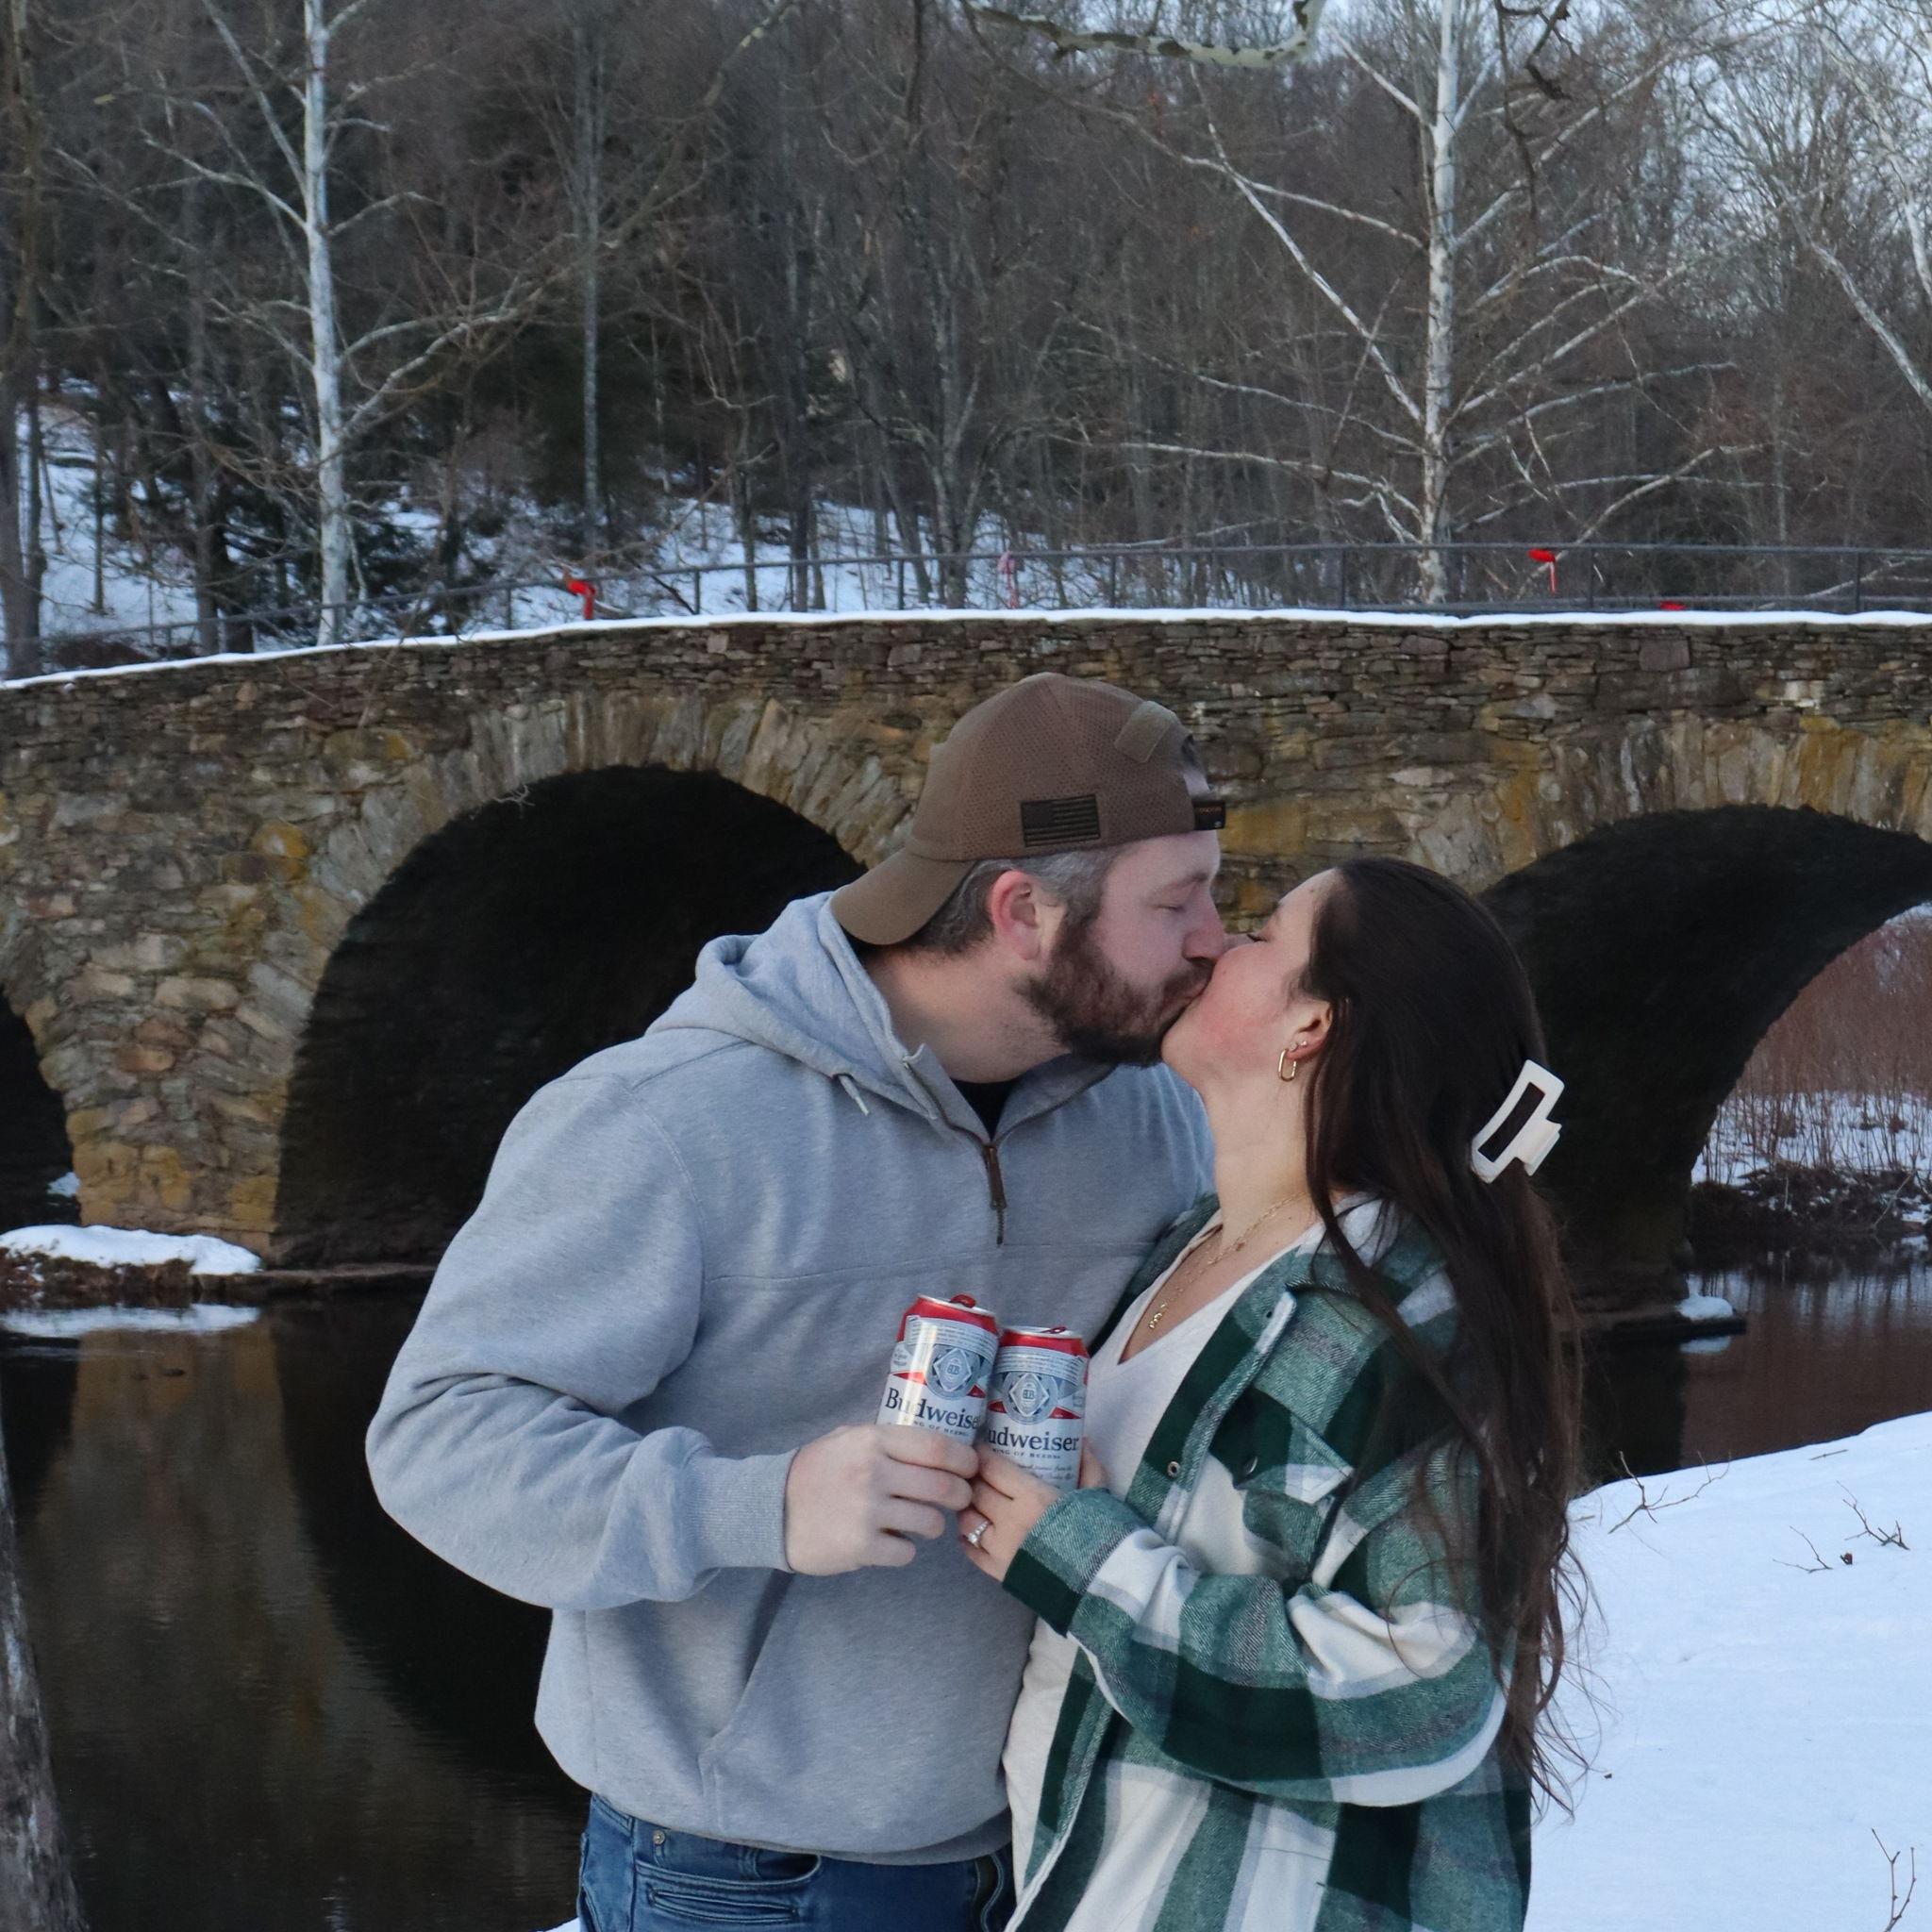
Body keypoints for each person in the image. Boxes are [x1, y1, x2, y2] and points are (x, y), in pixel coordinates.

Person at [365, 673, 1232, 1932]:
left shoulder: (1152, 1120)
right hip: (746, 1880)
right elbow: (438, 1440)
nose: (1214, 937)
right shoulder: (665, 1124)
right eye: (1176, 901)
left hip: (1063, 1850)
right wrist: (760, 1506)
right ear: (1022, 910)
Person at [958, 857, 1583, 1932]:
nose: (1212, 942)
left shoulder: (1400, 1310)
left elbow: (1423, 1688)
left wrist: (1083, 1558)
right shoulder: (1183, 1246)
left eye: (1259, 933)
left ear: (1311, 1026)